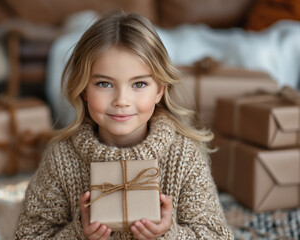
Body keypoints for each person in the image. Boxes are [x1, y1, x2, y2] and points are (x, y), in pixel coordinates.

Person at [14, 10, 234, 240]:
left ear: (159, 90)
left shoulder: (184, 157)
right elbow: (29, 235)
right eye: (104, 84)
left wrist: (170, 234)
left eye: (138, 84)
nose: (121, 100)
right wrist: (79, 234)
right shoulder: (61, 159)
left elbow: (217, 235)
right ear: (83, 89)